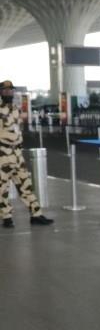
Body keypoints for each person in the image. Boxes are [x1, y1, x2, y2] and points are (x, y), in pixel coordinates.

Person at [0, 80, 54, 228]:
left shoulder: (15, 109)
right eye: (5, 90)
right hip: (3, 154)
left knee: (26, 185)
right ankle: (7, 217)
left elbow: (17, 128)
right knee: (2, 188)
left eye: (10, 90)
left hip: (17, 154)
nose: (8, 92)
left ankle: (36, 215)